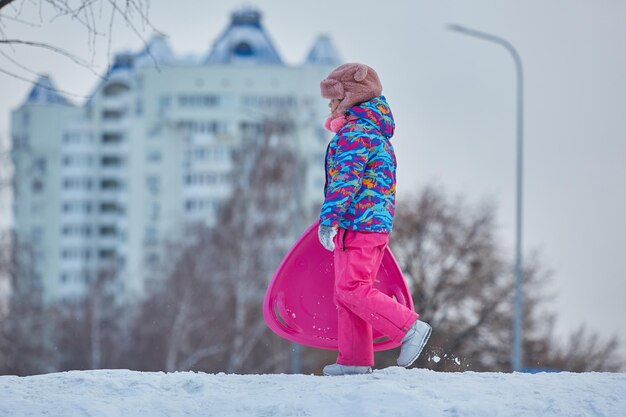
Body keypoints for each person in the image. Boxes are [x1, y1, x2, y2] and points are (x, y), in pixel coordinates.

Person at [317, 63, 432, 376]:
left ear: (352, 96)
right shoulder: (370, 132)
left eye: (335, 98)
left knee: (353, 288)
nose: (330, 105)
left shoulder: (356, 133)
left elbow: (346, 180)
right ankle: (354, 361)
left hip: (361, 224)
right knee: (346, 292)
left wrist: (329, 218)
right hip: (362, 224)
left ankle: (409, 329)